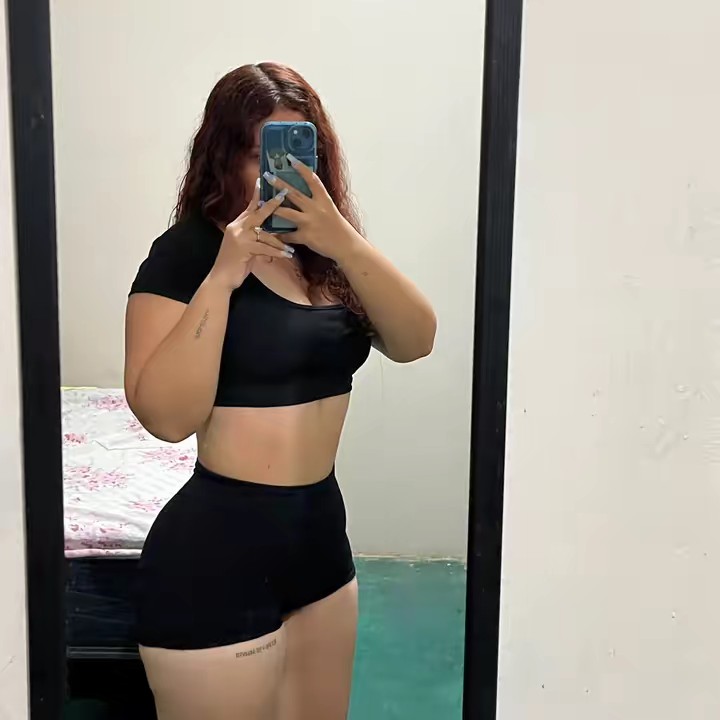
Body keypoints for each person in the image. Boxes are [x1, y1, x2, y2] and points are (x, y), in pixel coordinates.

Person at [124, 61, 436, 720]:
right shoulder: (188, 252)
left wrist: (343, 241)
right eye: (260, 152)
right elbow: (166, 418)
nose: (283, 171)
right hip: (216, 552)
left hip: (321, 545)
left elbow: (415, 340)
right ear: (223, 158)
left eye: (302, 152)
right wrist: (224, 277)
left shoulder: (329, 257)